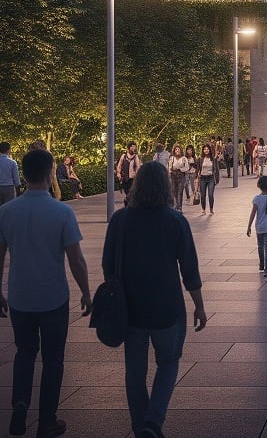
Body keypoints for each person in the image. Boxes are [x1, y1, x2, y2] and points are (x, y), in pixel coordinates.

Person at [102, 161, 207, 438]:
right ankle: (154, 420)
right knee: (169, 362)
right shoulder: (175, 220)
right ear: (166, 187)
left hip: (131, 309)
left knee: (134, 371)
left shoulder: (120, 220)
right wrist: (199, 306)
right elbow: (189, 269)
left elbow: (107, 265)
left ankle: (140, 425)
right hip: (167, 307)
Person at [0, 148, 91, 438]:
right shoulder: (62, 211)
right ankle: (47, 420)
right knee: (53, 358)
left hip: (19, 297)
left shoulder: (6, 212)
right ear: (50, 173)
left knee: (25, 351)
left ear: (23, 174)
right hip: (53, 297)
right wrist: (86, 292)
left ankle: (20, 402)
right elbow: (76, 259)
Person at [196, 142, 219, 215]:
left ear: (210, 150)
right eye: (204, 149)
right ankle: (203, 210)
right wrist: (196, 178)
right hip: (202, 178)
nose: (206, 150)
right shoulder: (200, 159)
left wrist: (217, 180)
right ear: (203, 150)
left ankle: (211, 210)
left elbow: (217, 170)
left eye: (207, 149)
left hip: (211, 178)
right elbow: (198, 169)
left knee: (210, 195)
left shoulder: (213, 159)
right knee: (203, 195)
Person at [167, 144, 189, 212]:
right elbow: (169, 168)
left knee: (180, 192)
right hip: (173, 176)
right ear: (174, 151)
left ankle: (179, 208)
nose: (177, 151)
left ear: (181, 150)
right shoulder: (172, 158)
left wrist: (180, 168)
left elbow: (187, 167)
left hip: (181, 175)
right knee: (173, 191)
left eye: (178, 149)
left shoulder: (184, 158)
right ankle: (174, 206)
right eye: (176, 149)